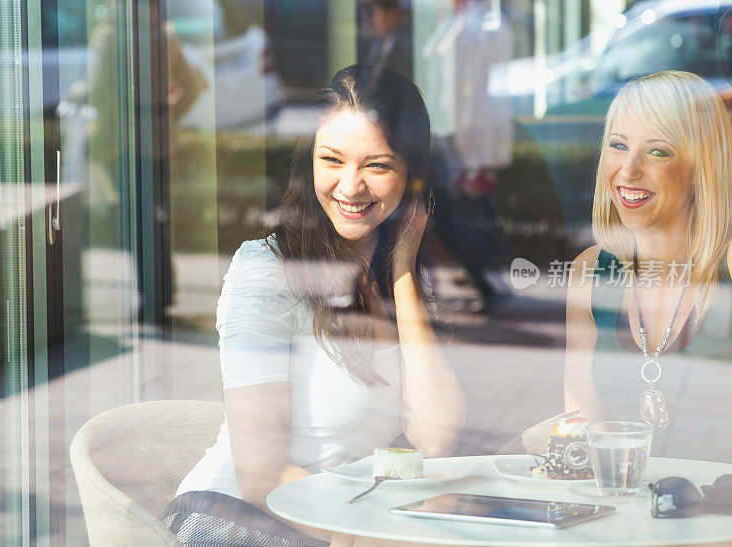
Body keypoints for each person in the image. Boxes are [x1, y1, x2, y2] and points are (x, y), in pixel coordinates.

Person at [162, 65, 467, 545]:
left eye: (377, 165)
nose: (350, 186)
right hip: (236, 523)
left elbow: (436, 436)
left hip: (331, 523)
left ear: (412, 173)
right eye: (332, 160)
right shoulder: (269, 271)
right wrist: (370, 534)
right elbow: (260, 476)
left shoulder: (396, 274)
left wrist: (405, 266)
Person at [564, 71, 732, 461]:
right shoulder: (588, 273)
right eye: (618, 145)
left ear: (702, 167)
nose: (628, 169)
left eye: (658, 151)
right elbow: (583, 421)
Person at [420, 0, 513, 312]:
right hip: (452, 134)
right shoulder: (459, 25)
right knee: (452, 212)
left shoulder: (471, 27)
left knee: (457, 213)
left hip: (458, 136)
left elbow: (464, 91)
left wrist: (466, 152)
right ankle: (481, 280)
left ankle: (482, 281)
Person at [363, 0, 413, 81]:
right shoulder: (378, 43)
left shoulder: (405, 42)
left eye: (378, 12)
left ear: (392, 13)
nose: (376, 19)